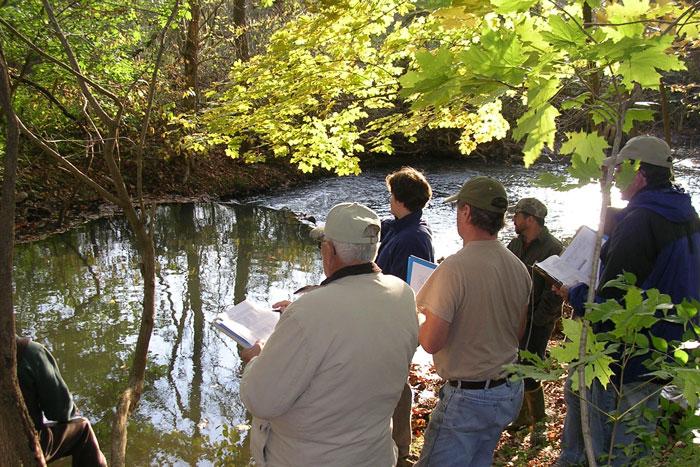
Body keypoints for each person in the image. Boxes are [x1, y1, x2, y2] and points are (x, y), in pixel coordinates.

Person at [555, 135, 700, 466]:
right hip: (663, 349)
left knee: (611, 448)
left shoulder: (640, 223)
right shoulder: (685, 213)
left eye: (619, 168)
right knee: (635, 443)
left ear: (640, 174)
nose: (612, 176)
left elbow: (610, 306)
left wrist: (572, 292)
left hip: (624, 357)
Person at [239, 202, 419, 467]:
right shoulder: (403, 294)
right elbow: (359, 328)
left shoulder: (308, 314)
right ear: (375, 248)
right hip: (375, 456)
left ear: (328, 250)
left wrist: (256, 358)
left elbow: (260, 400)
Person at [414, 176, 532, 467]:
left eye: (458, 209)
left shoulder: (454, 268)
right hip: (506, 391)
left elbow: (430, 342)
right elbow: (516, 332)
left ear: (466, 212)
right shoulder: (518, 267)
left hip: (468, 398)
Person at [376, 166, 434, 464]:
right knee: (390, 382)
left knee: (395, 385)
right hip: (387, 320)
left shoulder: (413, 238)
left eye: (390, 195)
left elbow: (401, 288)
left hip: (395, 323)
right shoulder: (402, 226)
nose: (388, 200)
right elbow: (383, 226)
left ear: (398, 199)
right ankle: (392, 447)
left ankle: (399, 452)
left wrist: (372, 274)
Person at [506, 198, 563, 432]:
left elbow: (557, 289)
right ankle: (522, 417)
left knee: (531, 367)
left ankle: (538, 422)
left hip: (539, 320)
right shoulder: (515, 244)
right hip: (515, 317)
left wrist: (537, 318)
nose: (513, 219)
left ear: (530, 219)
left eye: (517, 215)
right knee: (516, 364)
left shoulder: (553, 248)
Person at [15, 336, 108, 466]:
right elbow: (60, 412)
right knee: (83, 429)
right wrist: (73, 410)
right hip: (22, 444)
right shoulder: (29, 352)